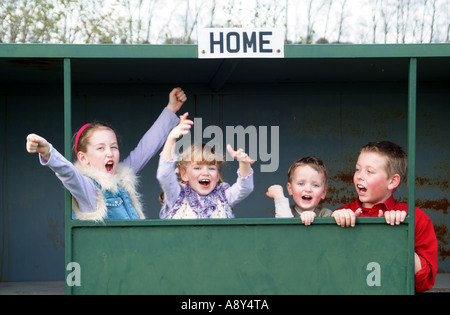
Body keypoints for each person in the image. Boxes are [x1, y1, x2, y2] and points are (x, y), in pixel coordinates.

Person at [26, 87, 187, 221]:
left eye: (113, 147)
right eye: (100, 148)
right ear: (83, 158)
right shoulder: (88, 188)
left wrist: (171, 109)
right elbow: (68, 173)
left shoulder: (122, 175)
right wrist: (48, 152)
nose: (109, 153)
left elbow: (146, 148)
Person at [331, 141, 438, 293]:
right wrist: (333, 224)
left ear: (392, 181)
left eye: (370, 171)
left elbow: (424, 282)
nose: (360, 176)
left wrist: (398, 236)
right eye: (357, 169)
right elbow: (325, 273)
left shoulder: (415, 218)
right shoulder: (342, 214)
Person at [157, 113, 254, 219]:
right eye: (197, 168)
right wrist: (171, 139)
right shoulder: (176, 194)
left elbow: (245, 188)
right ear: (184, 174)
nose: (205, 173)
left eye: (211, 168)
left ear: (217, 176)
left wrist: (244, 163)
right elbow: (164, 175)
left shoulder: (224, 196)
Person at [266, 156, 332, 225]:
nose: (308, 189)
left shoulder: (326, 214)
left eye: (315, 185)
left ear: (323, 193)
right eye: (301, 183)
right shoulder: (286, 211)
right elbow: (285, 230)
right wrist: (279, 197)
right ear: (290, 189)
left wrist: (340, 215)